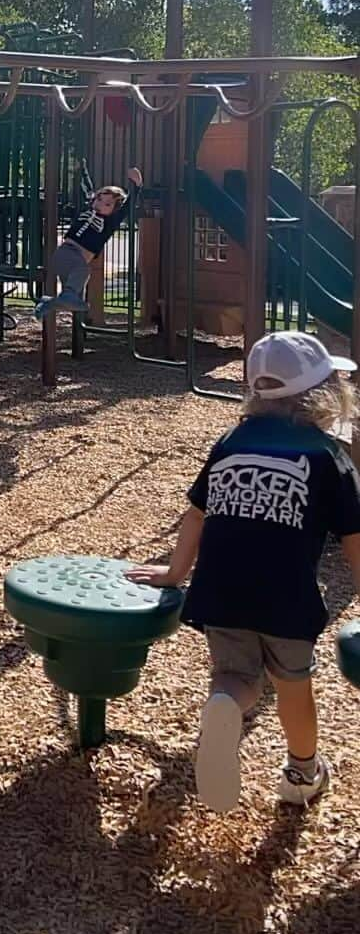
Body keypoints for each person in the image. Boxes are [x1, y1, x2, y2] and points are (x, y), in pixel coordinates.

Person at [128, 331, 360, 812]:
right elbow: (355, 540)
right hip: (287, 595)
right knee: (293, 683)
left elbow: (196, 512)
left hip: (221, 586)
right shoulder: (328, 456)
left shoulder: (231, 442)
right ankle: (302, 773)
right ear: (324, 392)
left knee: (236, 675)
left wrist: (175, 574)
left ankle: (226, 705)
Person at [34, 162, 142, 320]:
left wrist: (137, 185)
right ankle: (66, 296)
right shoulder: (87, 208)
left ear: (114, 210)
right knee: (83, 272)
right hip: (68, 254)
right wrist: (82, 170)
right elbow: (87, 188)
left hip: (71, 262)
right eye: (98, 199)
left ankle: (47, 304)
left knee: (77, 303)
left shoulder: (111, 222)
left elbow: (128, 205)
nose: (99, 204)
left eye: (107, 204)